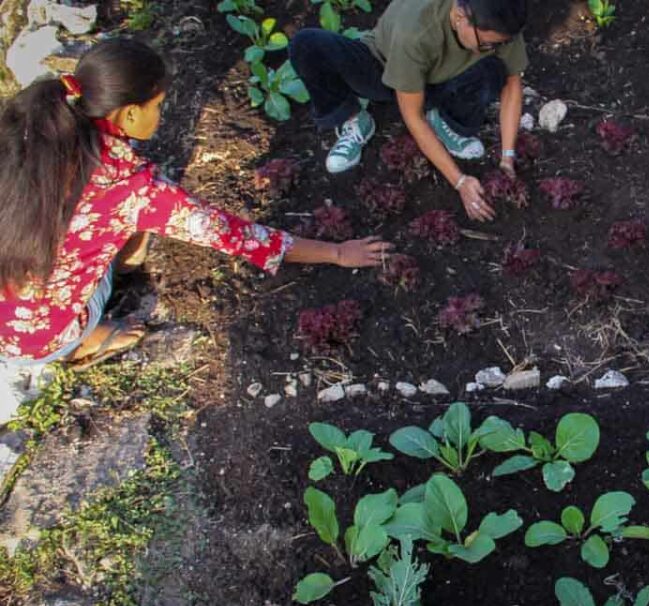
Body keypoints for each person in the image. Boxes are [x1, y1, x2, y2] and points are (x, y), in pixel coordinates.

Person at [0, 39, 392, 369]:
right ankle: (86, 339)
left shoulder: (35, 133)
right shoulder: (133, 189)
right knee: (110, 249)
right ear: (131, 112)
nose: (161, 114)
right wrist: (338, 252)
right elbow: (240, 237)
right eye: (158, 106)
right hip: (31, 340)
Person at [289, 0, 528, 222]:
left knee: (493, 71)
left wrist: (507, 157)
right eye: (486, 43)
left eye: (498, 43)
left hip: (441, 78)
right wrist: (460, 181)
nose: (492, 47)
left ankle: (448, 122)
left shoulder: (499, 16)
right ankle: (354, 120)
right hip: (383, 71)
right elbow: (412, 116)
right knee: (307, 45)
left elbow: (512, 85)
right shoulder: (416, 31)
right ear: (459, 16)